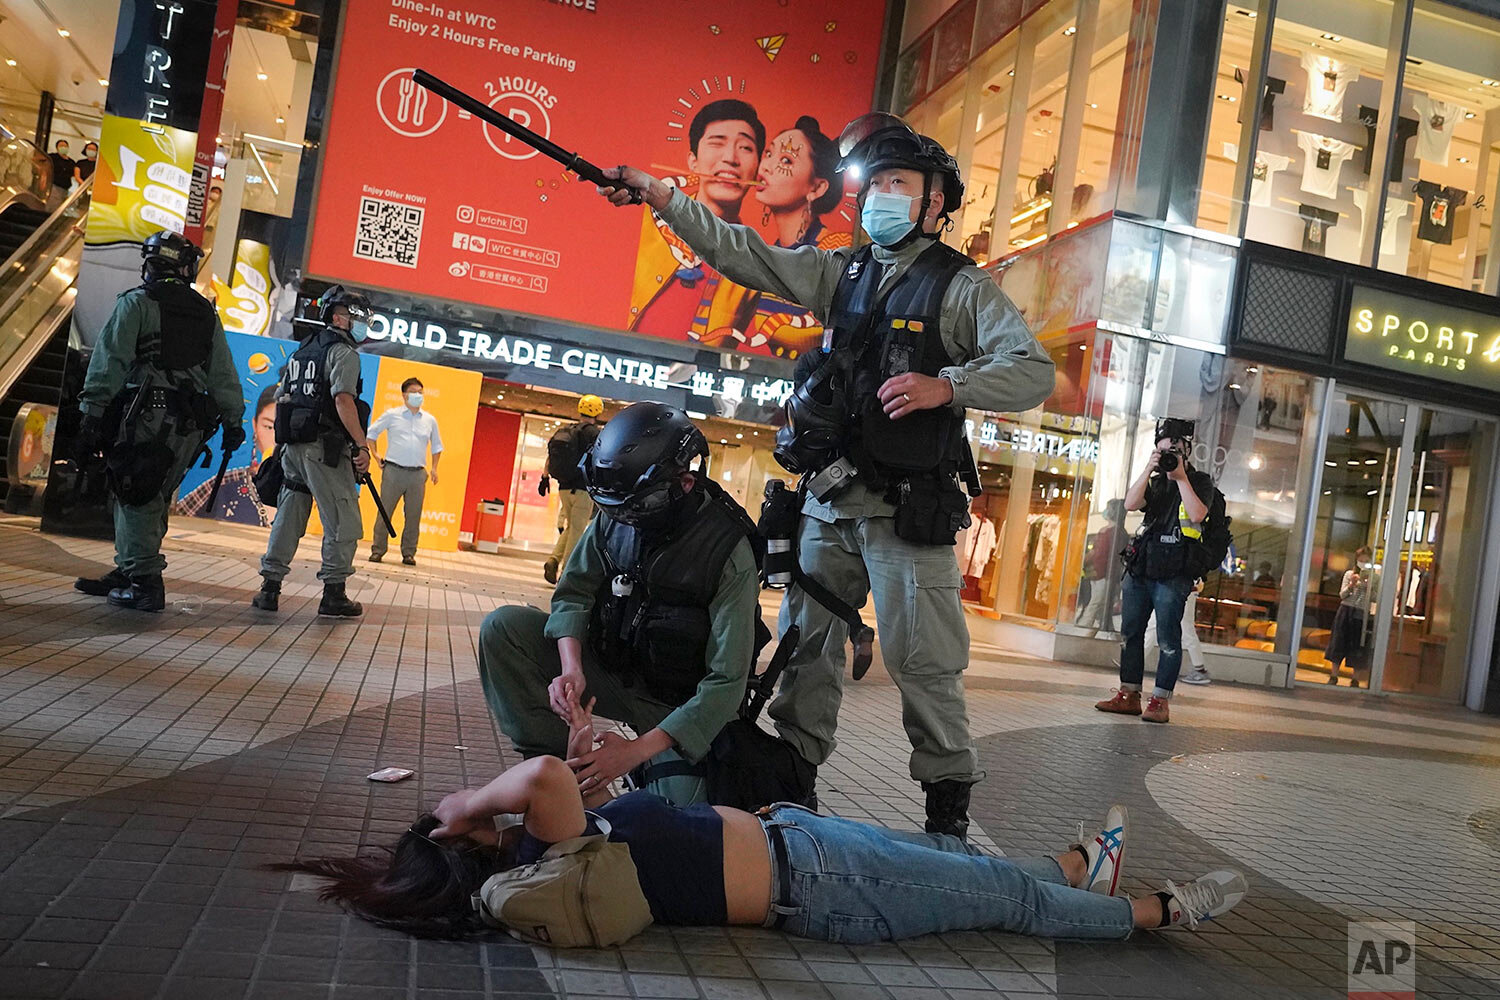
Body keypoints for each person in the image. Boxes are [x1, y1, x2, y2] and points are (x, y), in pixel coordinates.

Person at [596, 113, 1056, 838]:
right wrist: (660, 194)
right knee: (805, 656)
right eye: (874, 183)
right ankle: (792, 796)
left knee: (921, 664)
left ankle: (947, 817)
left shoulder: (961, 288)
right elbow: (738, 251)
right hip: (829, 503)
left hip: (908, 516)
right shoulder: (841, 271)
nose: (880, 196)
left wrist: (950, 385)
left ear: (937, 201)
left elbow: (1033, 370)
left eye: (898, 183)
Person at [276, 687, 1249, 944]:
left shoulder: (559, 847)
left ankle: (1084, 868)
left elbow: (598, 790)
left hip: (799, 845)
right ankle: (1159, 913)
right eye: (472, 818)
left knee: (967, 866)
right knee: (995, 896)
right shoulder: (532, 858)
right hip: (819, 884)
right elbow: (536, 775)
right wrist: (465, 799)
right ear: (474, 839)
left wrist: (595, 733)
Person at [479, 402, 762, 808]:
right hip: (614, 673)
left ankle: (649, 774)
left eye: (636, 507)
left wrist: (632, 752)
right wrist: (571, 668)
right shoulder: (621, 511)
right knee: (504, 629)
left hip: (679, 706)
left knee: (672, 823)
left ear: (685, 482)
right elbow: (573, 592)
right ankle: (555, 768)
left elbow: (726, 683)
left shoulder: (728, 551)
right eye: (615, 509)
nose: (625, 518)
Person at [72, 232, 244, 611]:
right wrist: (234, 421)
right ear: (185, 267)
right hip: (189, 424)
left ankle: (145, 582)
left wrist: (91, 415)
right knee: (154, 494)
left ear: (150, 263)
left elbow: (109, 361)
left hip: (144, 416)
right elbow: (223, 375)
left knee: (135, 491)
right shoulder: (205, 313)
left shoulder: (137, 303)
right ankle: (128, 568)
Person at [249, 286, 373, 617]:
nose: (362, 324)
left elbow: (283, 395)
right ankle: (334, 594)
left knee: (289, 516)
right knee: (342, 519)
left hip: (293, 447)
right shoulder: (344, 353)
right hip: (326, 449)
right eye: (355, 317)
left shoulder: (302, 351)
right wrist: (361, 444)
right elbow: (343, 400)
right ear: (337, 317)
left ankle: (269, 588)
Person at [1096, 419, 1218, 724]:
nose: (1167, 456)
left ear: (1186, 451)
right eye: (1161, 451)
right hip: (1142, 567)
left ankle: (1160, 701)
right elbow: (1131, 503)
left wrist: (1180, 478)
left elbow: (1198, 513)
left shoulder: (1200, 481)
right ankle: (1128, 695)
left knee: (1168, 639)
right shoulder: (1156, 480)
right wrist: (1149, 469)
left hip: (1175, 572)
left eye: (1173, 451)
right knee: (1131, 634)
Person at [629, 100, 764, 343]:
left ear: (758, 166)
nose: (730, 158)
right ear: (693, 160)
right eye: (717, 143)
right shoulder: (649, 220)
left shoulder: (753, 265)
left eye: (745, 147)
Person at [739, 116, 851, 359]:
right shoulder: (771, 254)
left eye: (786, 160)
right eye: (768, 153)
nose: (765, 167)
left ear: (817, 188)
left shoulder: (835, 252)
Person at [174, 381, 279, 526]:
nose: (275, 439)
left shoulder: (311, 485)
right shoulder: (229, 481)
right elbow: (180, 512)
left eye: (282, 428)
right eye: (268, 427)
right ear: (255, 425)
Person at [366, 377, 443, 566]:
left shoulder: (429, 420)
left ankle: (409, 553)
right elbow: (371, 434)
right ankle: (378, 550)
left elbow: (437, 446)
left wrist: (434, 468)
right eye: (414, 392)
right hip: (393, 470)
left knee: (413, 515)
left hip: (417, 474)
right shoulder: (392, 415)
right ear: (404, 395)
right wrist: (376, 456)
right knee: (385, 511)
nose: (418, 395)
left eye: (420, 392)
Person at [539, 394, 605, 585]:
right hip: (582, 489)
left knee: (571, 527)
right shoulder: (594, 434)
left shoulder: (567, 430)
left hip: (564, 488)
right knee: (577, 532)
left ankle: (553, 560)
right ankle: (566, 574)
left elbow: (550, 458)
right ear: (598, 411)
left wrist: (544, 477)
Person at [1139, 578, 1211, 685]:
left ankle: (1135, 660)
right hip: (1185, 588)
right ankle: (1199, 668)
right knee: (1185, 629)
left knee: (1157, 625)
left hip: (1181, 588)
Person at [1324, 545, 1377, 688]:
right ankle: (1334, 675)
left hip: (1361, 612)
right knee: (1338, 642)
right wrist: (1352, 585)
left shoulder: (1374, 577)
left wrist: (1369, 586)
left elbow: (1376, 598)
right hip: (1346, 610)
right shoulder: (1349, 574)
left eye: (1366, 561)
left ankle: (1355, 679)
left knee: (1358, 645)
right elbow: (1342, 595)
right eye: (1361, 560)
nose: (1363, 563)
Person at [1075, 498, 1127, 631]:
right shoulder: (1105, 531)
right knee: (1099, 601)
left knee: (1097, 602)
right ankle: (1097, 626)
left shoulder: (1117, 533)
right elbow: (1095, 551)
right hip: (1096, 572)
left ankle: (1085, 626)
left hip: (1106, 573)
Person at [45, 139, 73, 209]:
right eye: (61, 146)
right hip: (55, 186)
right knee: (53, 206)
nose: (63, 147)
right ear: (57, 148)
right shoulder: (52, 157)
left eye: (65, 146)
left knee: (61, 208)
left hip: (66, 188)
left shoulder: (71, 162)